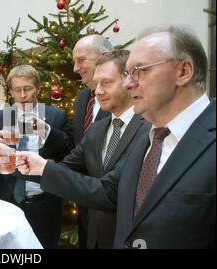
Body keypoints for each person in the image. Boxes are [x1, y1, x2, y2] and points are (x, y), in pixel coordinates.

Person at [16, 25, 215, 248]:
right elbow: (110, 192)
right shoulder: (151, 136)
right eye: (128, 73)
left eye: (140, 70)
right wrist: (37, 165)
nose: (129, 83)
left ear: (183, 71)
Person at [60, 50, 151, 248]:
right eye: (97, 84)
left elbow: (113, 189)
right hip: (95, 236)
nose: (98, 91)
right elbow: (65, 167)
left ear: (129, 81)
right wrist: (20, 162)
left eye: (106, 83)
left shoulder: (150, 127)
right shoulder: (97, 128)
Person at [0, 65, 73, 248]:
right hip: (10, 201)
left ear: (38, 88)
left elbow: (68, 150)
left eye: (27, 89)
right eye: (17, 90)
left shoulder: (56, 116)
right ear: (10, 91)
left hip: (45, 203)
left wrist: (46, 131)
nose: (22, 95)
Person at [71, 34, 113, 248]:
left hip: (111, 209)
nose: (76, 68)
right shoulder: (81, 99)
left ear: (104, 56)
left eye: (81, 60)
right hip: (84, 205)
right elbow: (75, 145)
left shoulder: (128, 104)